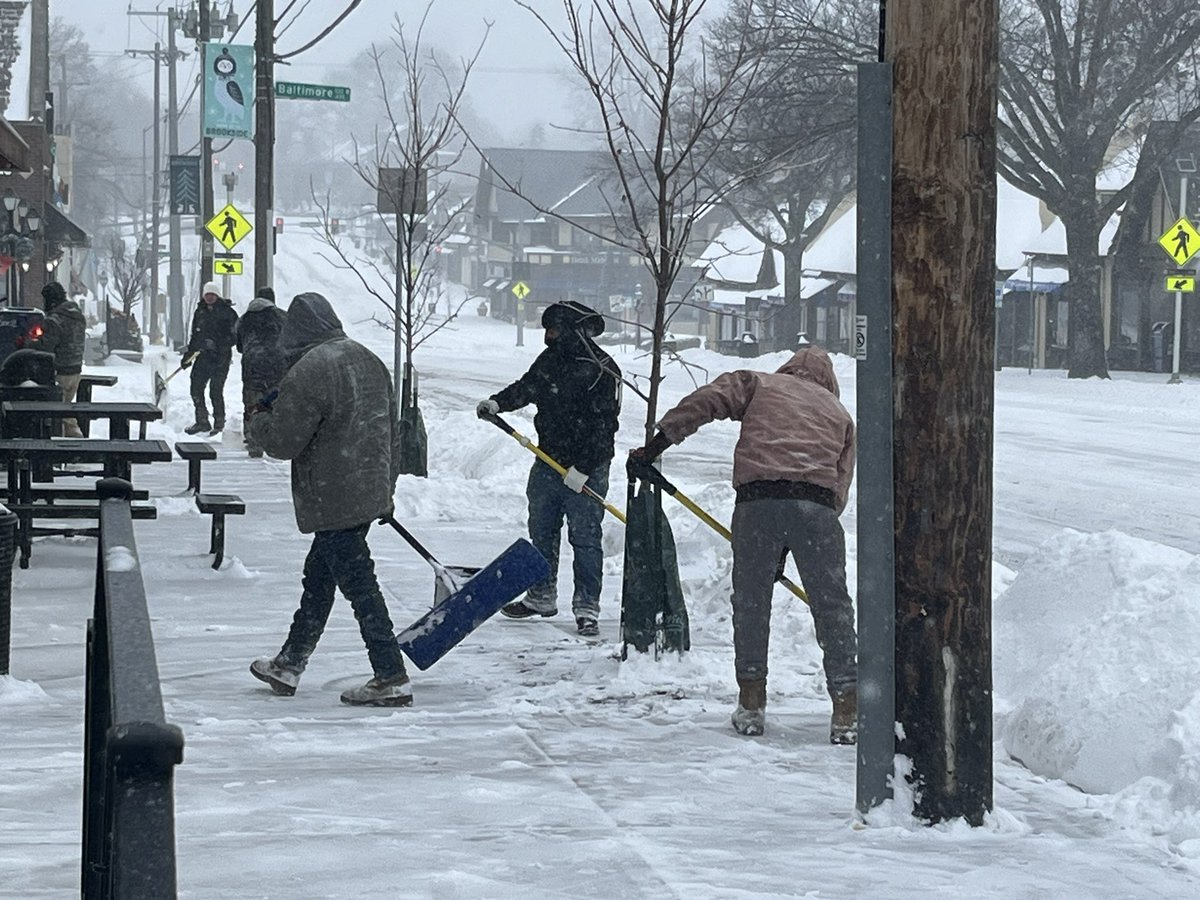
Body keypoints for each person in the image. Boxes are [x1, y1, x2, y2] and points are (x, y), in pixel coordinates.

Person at [629, 345, 858, 744]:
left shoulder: (759, 384)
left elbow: (706, 401)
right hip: (816, 510)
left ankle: (751, 703)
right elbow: (840, 485)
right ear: (829, 381)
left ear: (787, 369)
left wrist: (655, 446)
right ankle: (846, 707)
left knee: (752, 603)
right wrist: (805, 536)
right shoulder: (839, 414)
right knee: (832, 606)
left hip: (758, 503)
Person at [247, 292, 411, 707]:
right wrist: (385, 487)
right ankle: (289, 663)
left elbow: (284, 442)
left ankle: (390, 673)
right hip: (366, 486)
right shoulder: (367, 358)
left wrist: (259, 420)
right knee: (319, 579)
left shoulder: (310, 370)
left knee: (360, 586)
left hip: (333, 492)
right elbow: (389, 430)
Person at [476, 301, 621, 637]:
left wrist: (583, 468)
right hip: (547, 460)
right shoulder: (551, 361)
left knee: (585, 539)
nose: (548, 336)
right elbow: (527, 387)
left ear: (570, 329)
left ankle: (587, 608)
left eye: (553, 329)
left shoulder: (601, 368)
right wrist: (498, 402)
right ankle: (541, 596)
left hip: (587, 467)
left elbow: (605, 427)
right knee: (542, 530)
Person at [26, 282, 86, 437]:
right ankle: (70, 443)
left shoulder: (55, 320)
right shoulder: (77, 316)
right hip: (75, 369)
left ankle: (74, 443)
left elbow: (45, 347)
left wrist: (28, 341)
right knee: (65, 407)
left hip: (60, 370)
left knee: (62, 411)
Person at [234, 286, 287, 457]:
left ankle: (253, 441)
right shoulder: (282, 316)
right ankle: (274, 441)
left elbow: (240, 346)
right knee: (275, 402)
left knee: (253, 404)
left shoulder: (245, 318)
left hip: (252, 366)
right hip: (277, 366)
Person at [182, 282, 239, 435]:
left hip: (221, 359)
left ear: (217, 295)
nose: (209, 297)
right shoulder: (199, 312)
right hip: (202, 358)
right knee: (196, 388)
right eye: (207, 294)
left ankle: (219, 422)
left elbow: (234, 337)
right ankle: (202, 421)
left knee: (215, 390)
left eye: (212, 294)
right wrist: (188, 355)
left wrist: (217, 345)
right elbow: (195, 336)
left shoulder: (228, 313)